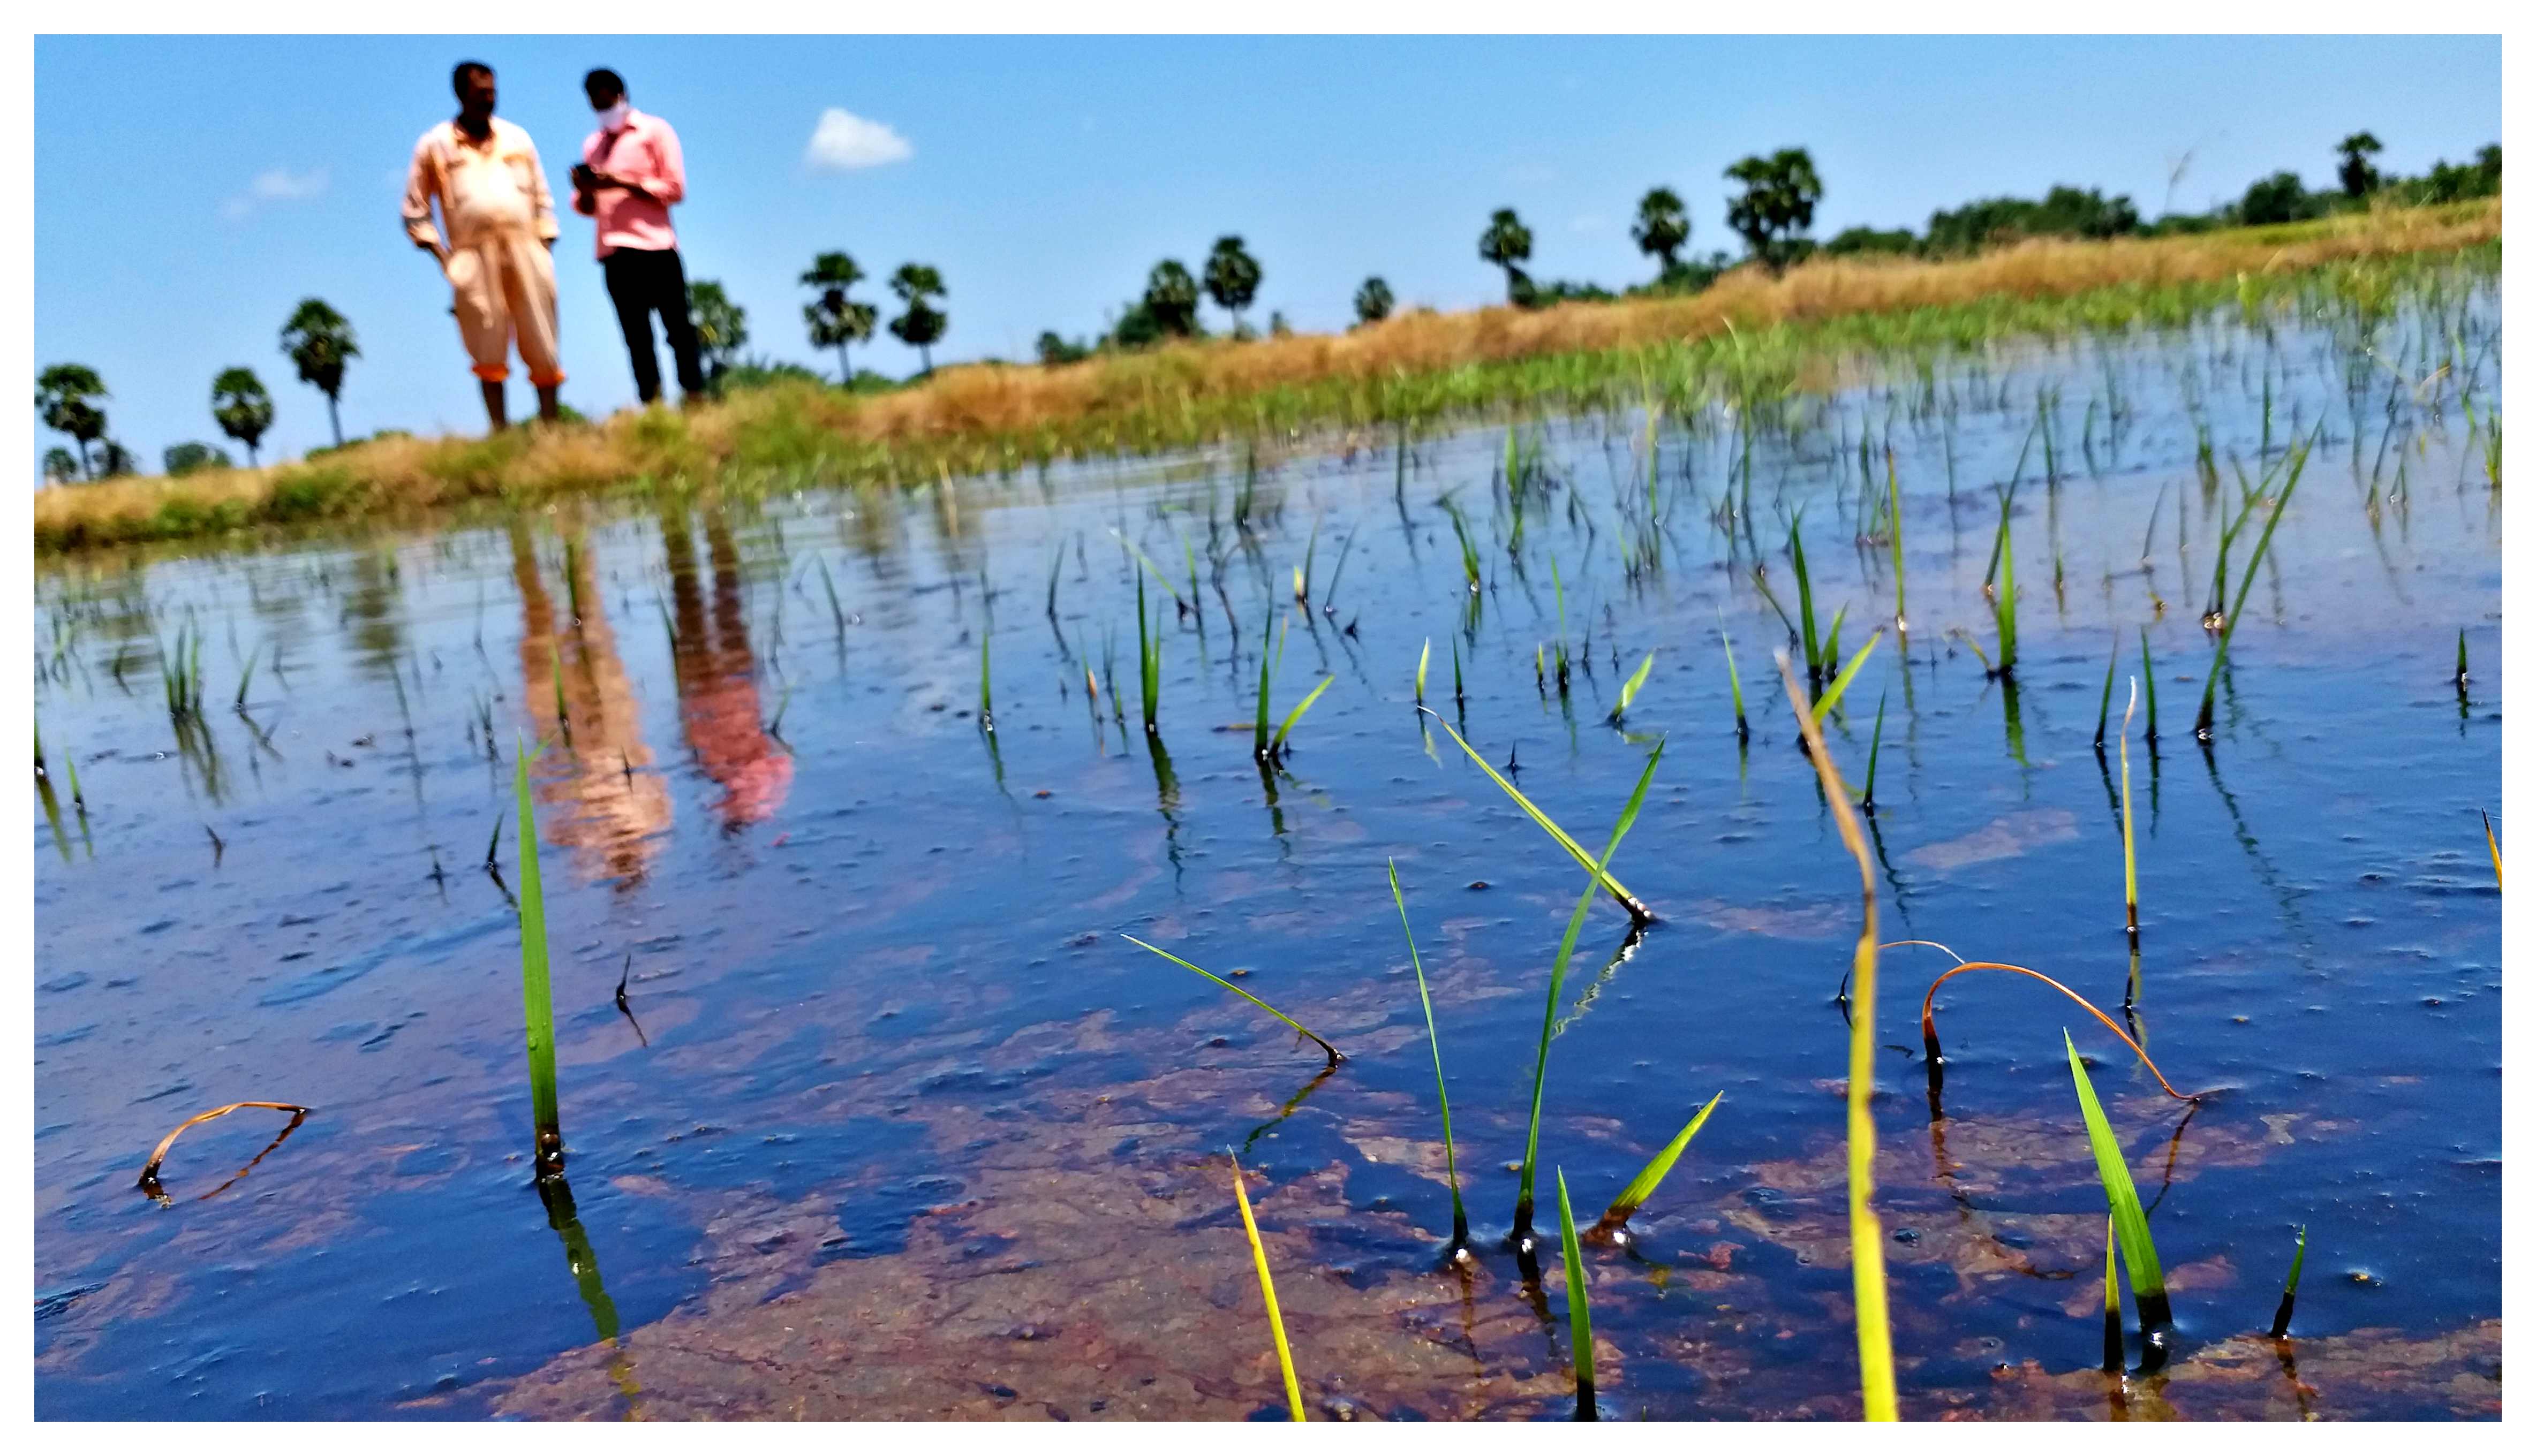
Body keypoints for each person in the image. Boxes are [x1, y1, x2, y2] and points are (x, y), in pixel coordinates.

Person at [402, 60, 564, 430]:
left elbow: (543, 197)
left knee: (541, 335)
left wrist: (544, 245)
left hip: (527, 247)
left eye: (492, 92)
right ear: (461, 94)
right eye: (480, 93)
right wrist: (445, 259)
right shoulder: (435, 144)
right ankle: (500, 431)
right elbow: (415, 210)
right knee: (486, 341)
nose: (489, 100)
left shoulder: (517, 138)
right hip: (471, 255)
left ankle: (553, 431)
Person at [571, 69, 706, 407]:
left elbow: (675, 188)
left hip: (656, 247)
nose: (603, 108)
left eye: (607, 100)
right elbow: (586, 207)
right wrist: (588, 189)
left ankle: (694, 399)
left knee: (679, 331)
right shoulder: (593, 145)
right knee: (636, 338)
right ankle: (654, 406)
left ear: (621, 95)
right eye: (595, 104)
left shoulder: (655, 132)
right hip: (614, 253)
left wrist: (624, 183)